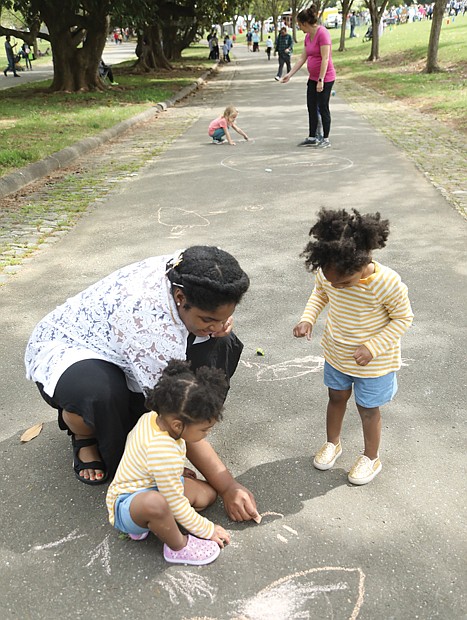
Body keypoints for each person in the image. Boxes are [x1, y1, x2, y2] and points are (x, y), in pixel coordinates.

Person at [25, 246, 258, 520]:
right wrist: (226, 485)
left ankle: (151, 437)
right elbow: (177, 410)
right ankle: (85, 434)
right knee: (101, 394)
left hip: (124, 343)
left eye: (223, 316)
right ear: (180, 297)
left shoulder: (197, 272)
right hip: (72, 347)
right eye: (208, 318)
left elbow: (180, 404)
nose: (217, 324)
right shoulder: (148, 321)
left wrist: (219, 323)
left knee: (222, 342)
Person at [293, 209, 413, 486]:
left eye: (345, 283)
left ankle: (371, 457)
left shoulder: (387, 283)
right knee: (336, 398)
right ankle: (332, 443)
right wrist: (307, 318)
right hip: (337, 354)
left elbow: (403, 318)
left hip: (374, 363)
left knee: (368, 409)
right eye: (333, 281)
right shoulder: (330, 273)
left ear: (364, 262)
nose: (338, 286)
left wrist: (373, 347)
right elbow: (321, 292)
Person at [106, 360, 243, 565]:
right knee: (157, 504)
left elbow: (142, 458)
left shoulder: (154, 418)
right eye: (204, 430)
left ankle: (156, 522)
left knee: (207, 495)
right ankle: (178, 546)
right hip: (126, 505)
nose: (208, 433)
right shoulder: (161, 450)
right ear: (178, 425)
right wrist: (208, 529)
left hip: (148, 486)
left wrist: (172, 471)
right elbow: (175, 503)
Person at [281, 6, 336, 149]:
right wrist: (289, 74)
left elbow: (325, 58)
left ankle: (325, 138)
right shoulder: (307, 37)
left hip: (326, 77)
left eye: (299, 25)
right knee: (311, 106)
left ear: (305, 23)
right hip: (313, 77)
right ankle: (312, 137)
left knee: (323, 107)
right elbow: (302, 58)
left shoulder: (323, 33)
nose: (299, 28)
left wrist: (321, 80)